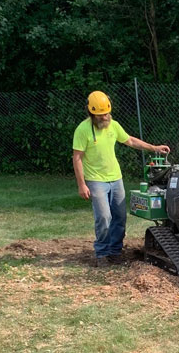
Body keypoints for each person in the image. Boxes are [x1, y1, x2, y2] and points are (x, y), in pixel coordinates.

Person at [72, 90, 170, 266]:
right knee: (103, 217)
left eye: (107, 113)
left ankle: (115, 252)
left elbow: (130, 141)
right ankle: (102, 253)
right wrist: (81, 184)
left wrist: (154, 148)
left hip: (116, 179)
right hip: (96, 180)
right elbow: (77, 157)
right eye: (100, 115)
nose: (105, 117)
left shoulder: (113, 125)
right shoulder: (83, 130)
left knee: (119, 217)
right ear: (91, 113)